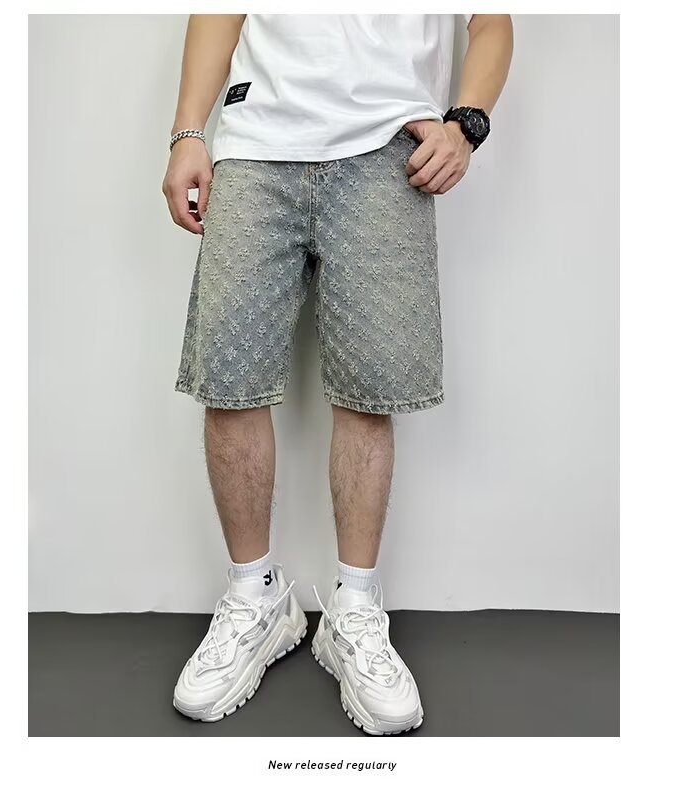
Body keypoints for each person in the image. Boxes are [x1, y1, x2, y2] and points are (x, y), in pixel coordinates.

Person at [163, 13, 513, 735]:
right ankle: (256, 599)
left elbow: (491, 20)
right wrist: (188, 132)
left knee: (369, 390)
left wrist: (467, 123)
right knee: (229, 380)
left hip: (388, 145)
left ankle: (354, 609)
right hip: (255, 143)